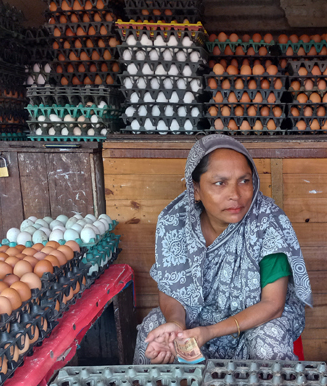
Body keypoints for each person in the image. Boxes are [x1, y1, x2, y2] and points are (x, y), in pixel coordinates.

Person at [133, 134, 313, 364]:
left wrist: (210, 332)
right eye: (220, 183)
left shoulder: (267, 222)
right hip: (200, 314)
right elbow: (172, 289)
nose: (235, 195)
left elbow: (273, 305)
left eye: (244, 181)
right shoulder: (175, 224)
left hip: (258, 317)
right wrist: (177, 327)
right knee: (155, 332)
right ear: (195, 189)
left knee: (268, 342)